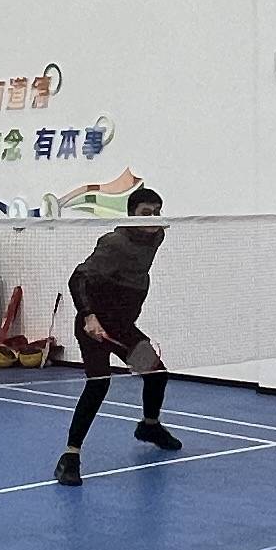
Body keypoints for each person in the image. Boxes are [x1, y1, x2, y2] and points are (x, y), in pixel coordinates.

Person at [53, 191, 180, 484]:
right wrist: (89, 316)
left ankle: (149, 426)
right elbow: (78, 278)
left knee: (156, 374)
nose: (153, 218)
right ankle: (70, 456)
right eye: (146, 213)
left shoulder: (157, 235)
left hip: (121, 328)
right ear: (131, 215)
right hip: (95, 327)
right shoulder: (114, 243)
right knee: (99, 384)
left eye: (157, 212)